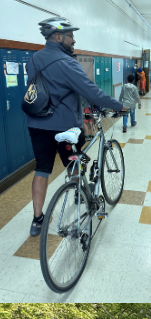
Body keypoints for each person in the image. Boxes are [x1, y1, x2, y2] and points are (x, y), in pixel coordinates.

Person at [24, 17, 127, 238]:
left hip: (37, 125)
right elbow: (91, 92)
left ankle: (37, 219)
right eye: (71, 36)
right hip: (64, 127)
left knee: (42, 169)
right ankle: (78, 192)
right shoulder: (67, 62)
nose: (74, 40)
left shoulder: (33, 60)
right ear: (59, 37)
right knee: (74, 164)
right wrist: (119, 105)